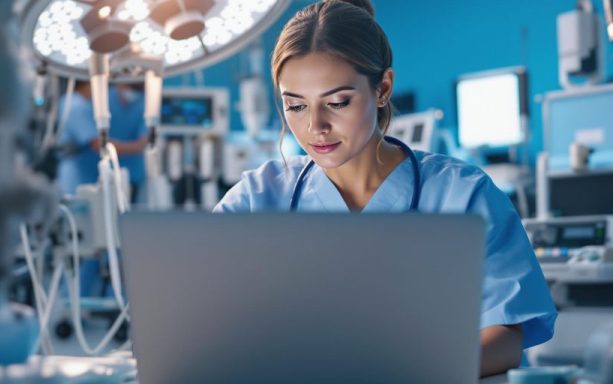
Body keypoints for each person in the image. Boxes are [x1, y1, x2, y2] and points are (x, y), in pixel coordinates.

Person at [213, 0, 557, 377]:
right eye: (295, 106)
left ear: (382, 89)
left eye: (338, 102)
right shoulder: (257, 198)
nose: (316, 127)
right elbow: (197, 309)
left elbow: (504, 336)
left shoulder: (462, 196)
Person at [57, 81, 149, 201]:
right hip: (77, 178)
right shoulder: (76, 106)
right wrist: (138, 146)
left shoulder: (86, 105)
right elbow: (97, 144)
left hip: (97, 177)